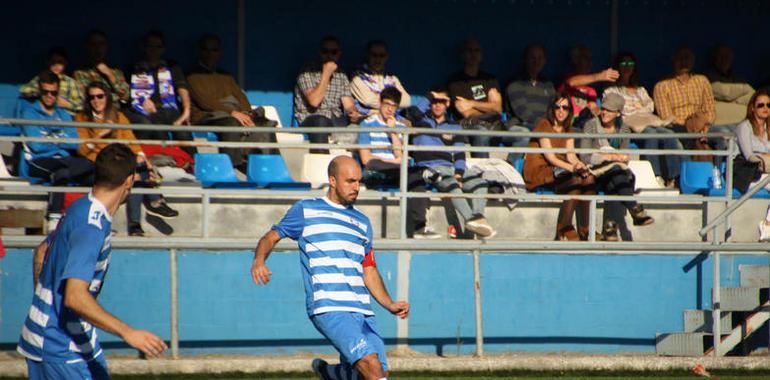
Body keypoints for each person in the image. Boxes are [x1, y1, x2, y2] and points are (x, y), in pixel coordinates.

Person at [250, 156, 409, 380]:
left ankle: (333, 373)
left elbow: (369, 269)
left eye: (359, 182)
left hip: (363, 310)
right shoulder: (306, 210)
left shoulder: (363, 222)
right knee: (371, 366)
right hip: (329, 306)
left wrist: (389, 304)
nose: (356, 187)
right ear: (332, 181)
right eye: (350, 181)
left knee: (380, 373)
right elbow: (271, 236)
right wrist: (259, 260)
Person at [17, 143, 167, 379]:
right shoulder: (92, 228)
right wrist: (129, 333)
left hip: (53, 336)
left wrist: (45, 309)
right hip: (60, 347)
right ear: (129, 180)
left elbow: (41, 251)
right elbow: (75, 296)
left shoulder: (79, 206)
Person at [75, 82, 179, 236]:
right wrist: (101, 134)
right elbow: (82, 150)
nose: (96, 100)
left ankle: (137, 224)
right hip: (98, 163)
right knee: (135, 174)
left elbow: (132, 142)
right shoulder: (81, 118)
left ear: (107, 97)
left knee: (138, 170)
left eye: (100, 96)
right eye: (92, 97)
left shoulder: (118, 116)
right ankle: (154, 203)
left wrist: (143, 158)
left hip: (121, 162)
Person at [404, 88, 496, 238]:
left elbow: (460, 152)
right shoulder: (421, 120)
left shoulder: (454, 126)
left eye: (442, 102)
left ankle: (478, 217)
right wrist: (430, 95)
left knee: (480, 183)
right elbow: (413, 111)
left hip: (449, 167)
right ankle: (471, 220)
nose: (437, 105)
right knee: (453, 187)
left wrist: (459, 173)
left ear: (448, 104)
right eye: (434, 102)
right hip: (429, 168)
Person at [186, 33, 277, 171]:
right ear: (200, 51)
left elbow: (241, 96)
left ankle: (270, 168)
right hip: (207, 116)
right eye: (206, 49)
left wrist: (247, 113)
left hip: (231, 114)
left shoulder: (225, 75)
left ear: (219, 52)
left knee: (265, 124)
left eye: (214, 50)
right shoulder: (192, 75)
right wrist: (233, 113)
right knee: (231, 123)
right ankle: (231, 168)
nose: (210, 54)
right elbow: (204, 102)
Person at [20, 71, 94, 227]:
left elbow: (75, 143)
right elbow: (36, 146)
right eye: (45, 92)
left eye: (53, 93)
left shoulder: (64, 115)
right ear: (39, 91)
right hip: (38, 161)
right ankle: (54, 218)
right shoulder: (29, 113)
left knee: (92, 168)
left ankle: (92, 216)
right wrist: (61, 142)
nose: (49, 96)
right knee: (62, 172)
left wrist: (52, 141)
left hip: (64, 159)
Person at [579, 93, 654, 241]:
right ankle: (633, 209)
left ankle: (610, 230)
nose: (604, 113)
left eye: (610, 110)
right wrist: (610, 157)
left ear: (618, 113)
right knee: (617, 175)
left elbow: (625, 158)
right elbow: (585, 156)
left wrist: (614, 159)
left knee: (615, 177)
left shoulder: (624, 129)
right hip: (595, 173)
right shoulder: (591, 125)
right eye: (604, 109)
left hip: (614, 173)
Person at [523, 93, 596, 241]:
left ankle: (585, 229)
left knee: (588, 178)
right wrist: (572, 169)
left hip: (560, 170)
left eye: (565, 107)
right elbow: (551, 157)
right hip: (541, 169)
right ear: (552, 109)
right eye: (557, 107)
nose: (561, 111)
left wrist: (579, 165)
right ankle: (564, 228)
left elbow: (571, 155)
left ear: (570, 110)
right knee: (575, 180)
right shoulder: (543, 124)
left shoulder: (568, 129)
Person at [603, 52, 682, 187]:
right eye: (623, 63)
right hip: (627, 126)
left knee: (669, 134)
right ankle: (656, 175)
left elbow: (651, 106)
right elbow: (618, 110)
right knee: (651, 134)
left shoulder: (640, 89)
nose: (627, 67)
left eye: (630, 63)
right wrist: (639, 107)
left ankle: (673, 177)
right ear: (617, 67)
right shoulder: (611, 90)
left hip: (647, 122)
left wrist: (632, 107)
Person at [653, 46, 729, 158]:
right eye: (680, 58)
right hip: (678, 127)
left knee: (722, 134)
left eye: (687, 58)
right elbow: (666, 116)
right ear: (673, 60)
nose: (684, 62)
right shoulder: (662, 85)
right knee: (675, 142)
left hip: (703, 125)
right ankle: (679, 175)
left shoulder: (702, 81)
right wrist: (691, 126)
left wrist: (704, 125)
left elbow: (710, 110)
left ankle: (716, 172)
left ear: (693, 61)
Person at [126, 30, 194, 152]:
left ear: (163, 49)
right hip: (150, 112)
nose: (154, 50)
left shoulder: (171, 66)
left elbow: (182, 86)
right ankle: (165, 164)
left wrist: (187, 110)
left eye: (158, 46)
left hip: (171, 109)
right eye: (150, 46)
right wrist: (143, 101)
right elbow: (131, 94)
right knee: (158, 132)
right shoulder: (135, 68)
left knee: (184, 135)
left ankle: (193, 165)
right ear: (144, 48)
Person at [294, 36, 362, 153]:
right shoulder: (307, 71)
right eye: (325, 51)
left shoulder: (341, 75)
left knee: (360, 126)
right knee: (321, 121)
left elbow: (348, 104)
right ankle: (321, 162)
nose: (329, 55)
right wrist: (326, 74)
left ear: (339, 54)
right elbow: (314, 102)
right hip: (311, 118)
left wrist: (353, 112)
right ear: (320, 53)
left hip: (336, 119)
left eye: (333, 52)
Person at [447, 39, 504, 158]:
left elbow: (498, 108)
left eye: (476, 51)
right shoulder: (456, 81)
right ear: (463, 55)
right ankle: (481, 173)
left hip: (494, 124)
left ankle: (510, 170)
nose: (473, 54)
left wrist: (471, 103)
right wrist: (489, 107)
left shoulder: (489, 79)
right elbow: (467, 113)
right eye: (469, 50)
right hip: (470, 126)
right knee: (481, 132)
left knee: (521, 134)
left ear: (481, 55)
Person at [505, 44, 556, 162]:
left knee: (576, 133)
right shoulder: (515, 83)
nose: (536, 61)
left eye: (540, 58)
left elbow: (554, 109)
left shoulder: (548, 84)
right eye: (532, 57)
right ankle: (511, 169)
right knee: (526, 133)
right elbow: (523, 113)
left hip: (545, 126)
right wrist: (546, 125)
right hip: (521, 125)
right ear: (525, 60)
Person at [731, 90, 770, 241]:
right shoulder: (744, 127)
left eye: (768, 105)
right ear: (752, 108)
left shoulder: (769, 128)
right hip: (747, 172)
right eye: (761, 105)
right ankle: (767, 225)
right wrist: (765, 157)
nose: (765, 108)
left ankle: (767, 225)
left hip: (766, 172)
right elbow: (749, 155)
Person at [558, 44, 619, 129]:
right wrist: (600, 76)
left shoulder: (590, 90)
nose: (590, 62)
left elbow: (593, 107)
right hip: (568, 125)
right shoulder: (566, 79)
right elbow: (572, 82)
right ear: (575, 60)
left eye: (590, 59)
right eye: (586, 58)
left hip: (585, 126)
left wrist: (603, 112)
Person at [357, 87, 405, 188]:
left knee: (413, 180)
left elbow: (400, 156)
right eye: (387, 104)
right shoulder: (366, 125)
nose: (390, 109)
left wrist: (392, 131)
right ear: (380, 102)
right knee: (374, 165)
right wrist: (393, 162)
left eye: (394, 106)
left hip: (395, 170)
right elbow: (366, 159)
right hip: (376, 169)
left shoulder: (401, 127)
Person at [350, 40, 411, 115]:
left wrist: (381, 101)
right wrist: (393, 102)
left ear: (387, 57)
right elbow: (368, 100)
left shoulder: (392, 78)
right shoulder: (357, 77)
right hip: (367, 120)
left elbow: (407, 101)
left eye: (382, 55)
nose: (378, 59)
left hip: (393, 118)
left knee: (408, 124)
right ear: (368, 56)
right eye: (374, 55)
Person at [73, 30, 131, 107]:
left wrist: (110, 75)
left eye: (101, 44)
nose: (98, 48)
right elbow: (84, 100)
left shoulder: (116, 72)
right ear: (88, 47)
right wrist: (114, 97)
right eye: (94, 44)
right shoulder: (80, 73)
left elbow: (126, 97)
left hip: (115, 113)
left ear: (106, 47)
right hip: (92, 115)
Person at [19, 47, 84, 116]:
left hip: (65, 119)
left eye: (60, 62)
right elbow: (23, 91)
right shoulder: (41, 79)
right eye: (53, 62)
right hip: (43, 116)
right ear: (48, 62)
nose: (56, 65)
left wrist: (68, 104)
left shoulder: (71, 82)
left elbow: (82, 104)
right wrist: (42, 91)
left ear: (65, 63)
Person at [706, 44, 755, 126]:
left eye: (727, 56)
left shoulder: (739, 79)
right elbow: (719, 90)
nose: (724, 59)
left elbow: (752, 95)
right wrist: (744, 89)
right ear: (715, 58)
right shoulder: (707, 77)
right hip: (717, 123)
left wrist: (736, 100)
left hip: (741, 122)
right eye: (721, 56)